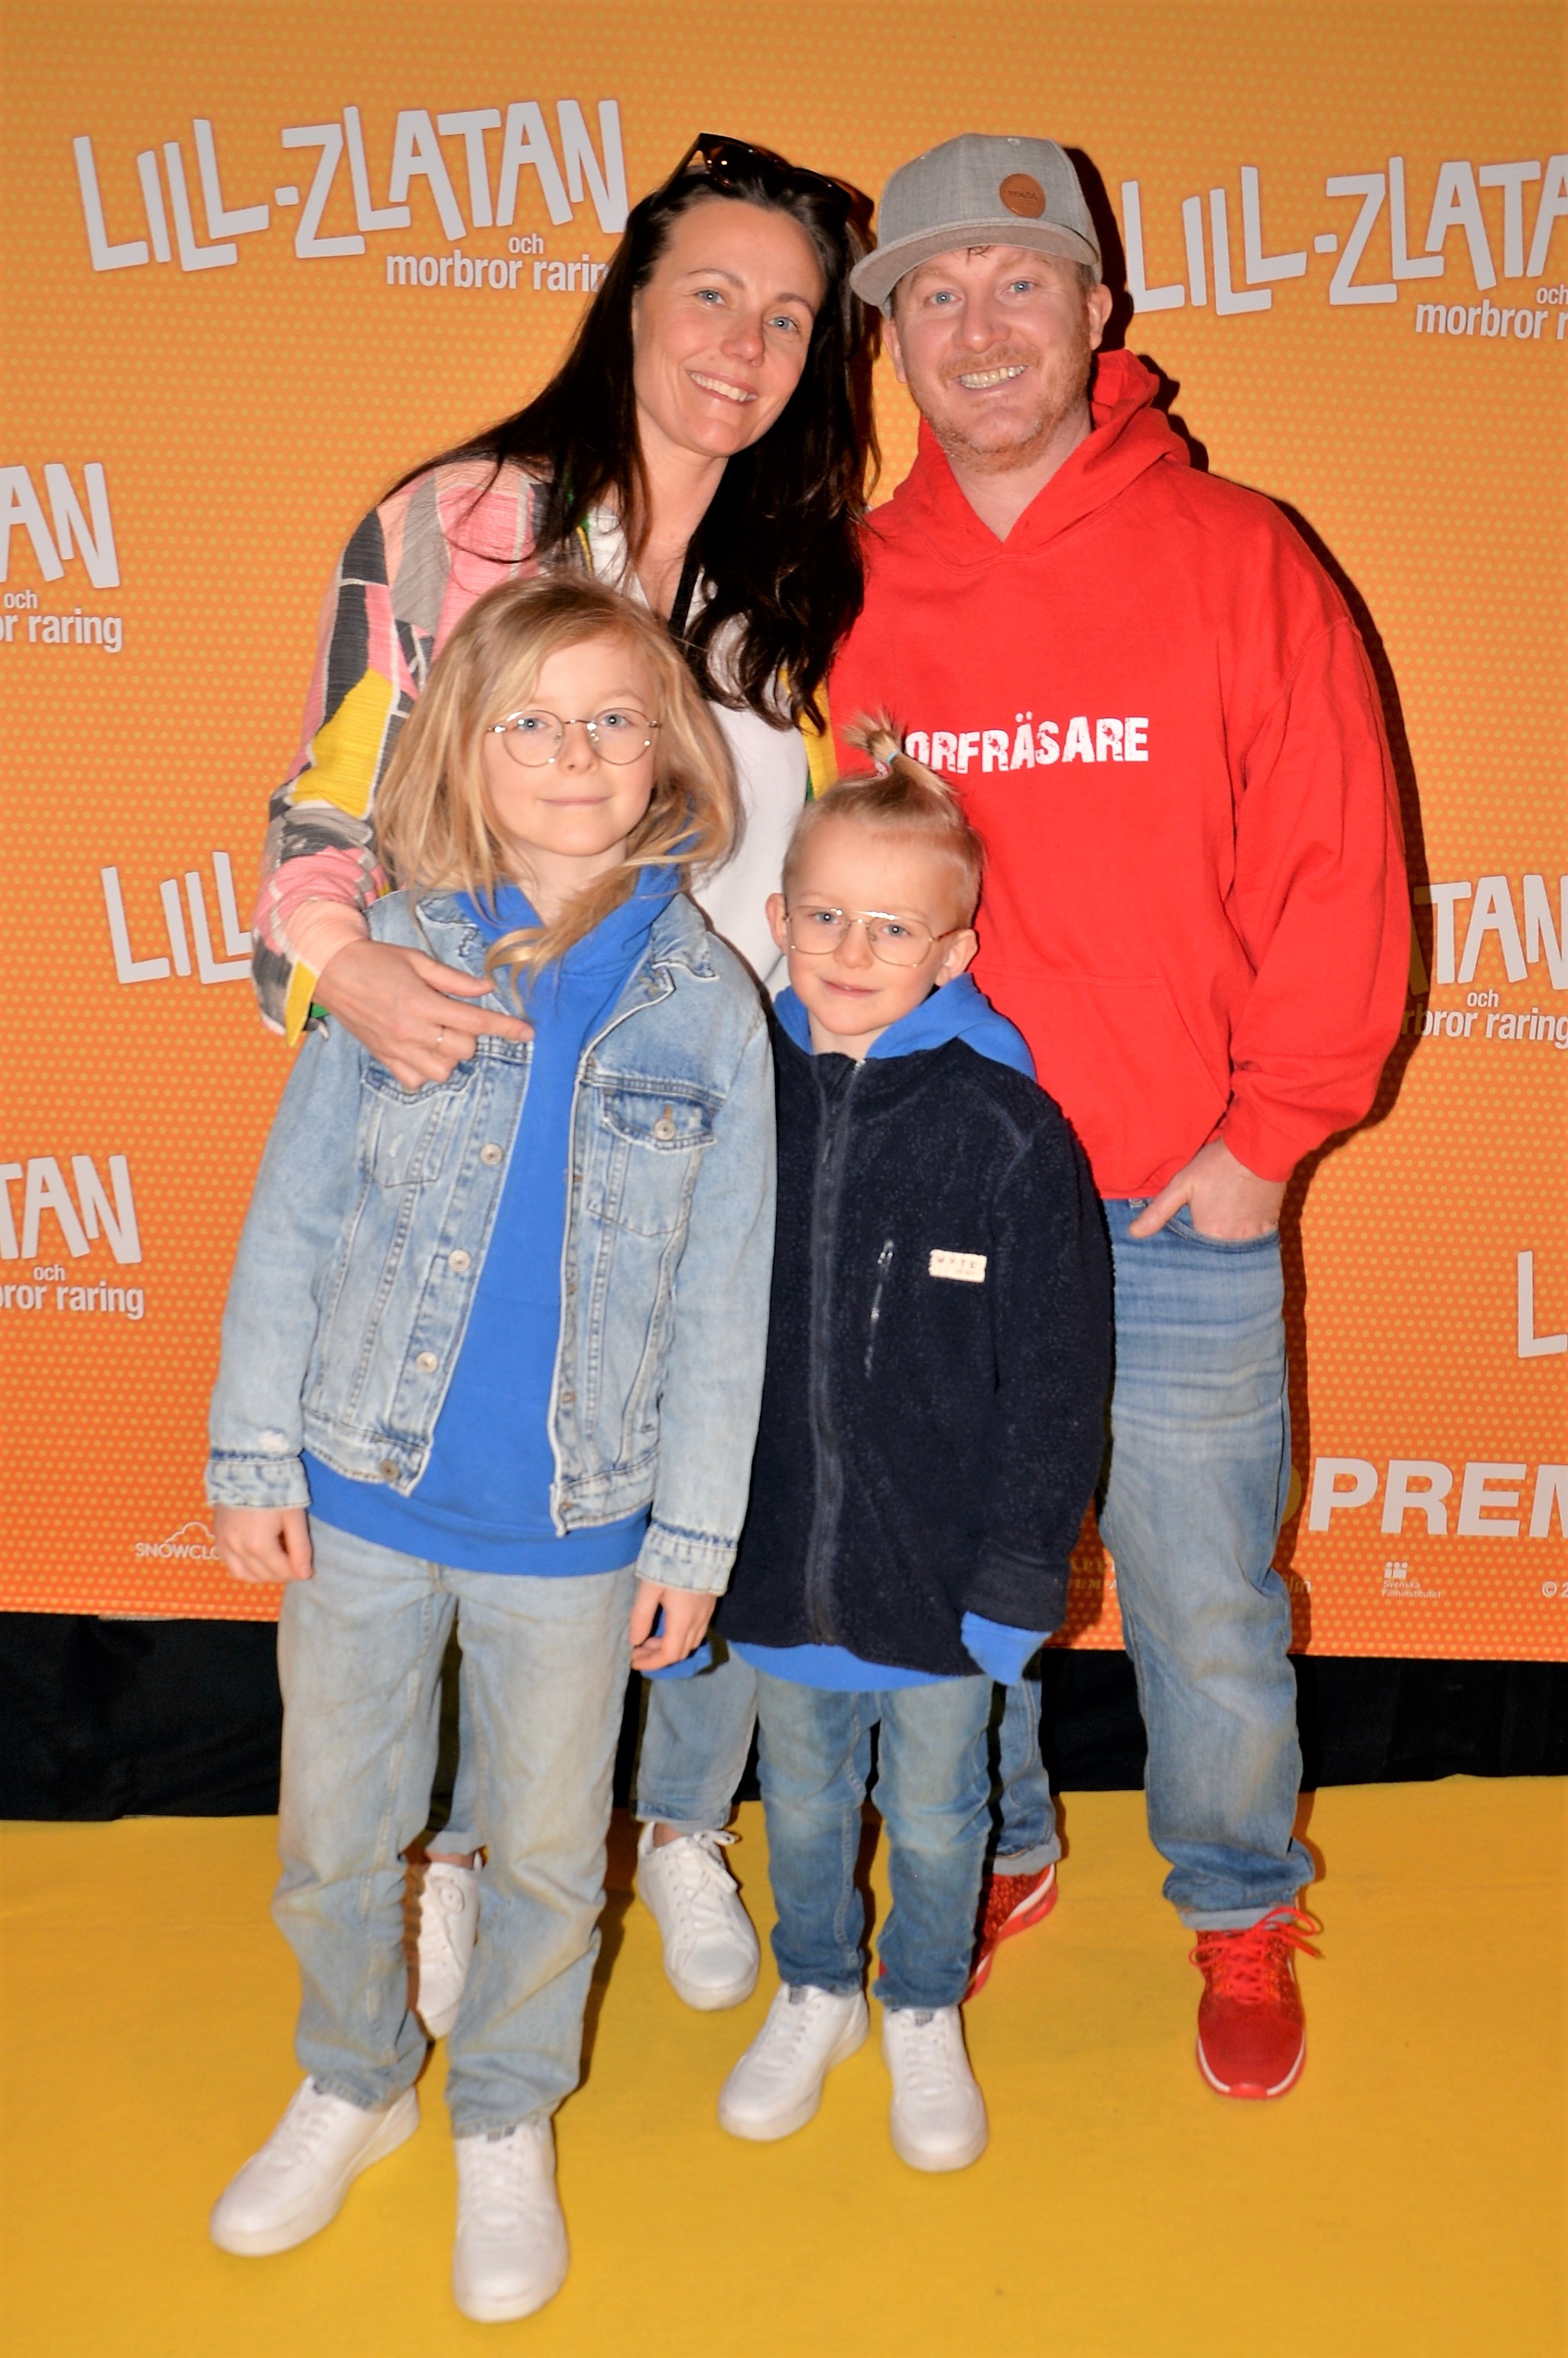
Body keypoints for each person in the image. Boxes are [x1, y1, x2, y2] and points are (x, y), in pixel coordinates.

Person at [250, 133, 878, 2032]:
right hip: (474, 1092)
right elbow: (323, 813)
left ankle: (674, 1827)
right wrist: (350, 966)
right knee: (466, 1481)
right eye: (714, 295)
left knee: (699, 1471)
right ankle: (455, 1862)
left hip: (724, 1113)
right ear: (632, 299)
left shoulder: (808, 582)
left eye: (790, 319)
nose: (746, 344)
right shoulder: (458, 520)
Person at [826, 135, 1409, 2097]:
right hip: (935, 1209)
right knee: (953, 1590)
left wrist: (1265, 1144)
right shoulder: (849, 589)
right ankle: (996, 1852)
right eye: (933, 294)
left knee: (1206, 1606)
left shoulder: (1240, 555)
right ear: (893, 336)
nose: (979, 327)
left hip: (1173, 1204)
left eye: (1019, 284)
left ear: (1097, 308)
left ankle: (1240, 1903)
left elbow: (1339, 863)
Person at [206, 575, 774, 2321]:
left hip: (577, 1530)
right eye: (531, 721)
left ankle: (506, 2113)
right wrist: (254, 1454)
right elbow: (295, 1217)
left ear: (671, 750)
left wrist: (693, 1538)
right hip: (363, 1494)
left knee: (541, 1858)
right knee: (336, 1835)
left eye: (614, 720)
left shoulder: (711, 1005)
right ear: (464, 747)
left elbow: (725, 1299)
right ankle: (356, 2077)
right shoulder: (393, 955)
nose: (574, 755)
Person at [713, 741, 1111, 2169]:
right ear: (778, 917)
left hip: (942, 1585)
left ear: (955, 951)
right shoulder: (734, 1096)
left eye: (894, 928)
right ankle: (816, 1988)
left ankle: (925, 2003)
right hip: (774, 1566)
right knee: (804, 1804)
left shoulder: (1010, 1132)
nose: (851, 950)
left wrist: (1019, 1573)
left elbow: (1058, 1380)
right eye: (826, 915)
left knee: (942, 1816)